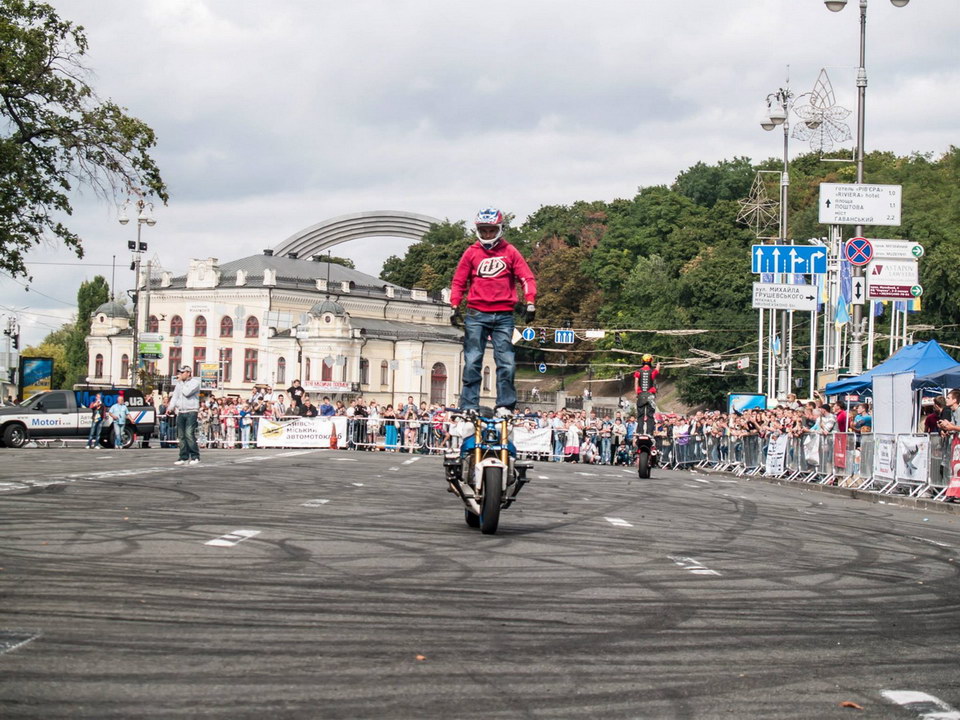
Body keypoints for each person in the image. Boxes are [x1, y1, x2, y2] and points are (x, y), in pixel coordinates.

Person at [450, 207, 537, 416]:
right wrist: (454, 306)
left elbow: (526, 277)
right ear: (478, 231)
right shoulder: (471, 253)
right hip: (476, 314)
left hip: (504, 315)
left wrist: (530, 301)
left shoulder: (510, 252)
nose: (487, 235)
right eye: (483, 231)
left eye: (491, 230)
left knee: (506, 361)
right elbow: (459, 281)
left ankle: (505, 405)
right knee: (472, 360)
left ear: (499, 229)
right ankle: (469, 404)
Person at [169, 365, 202, 465]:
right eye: (180, 372)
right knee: (181, 435)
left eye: (182, 372)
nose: (180, 374)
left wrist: (180, 383)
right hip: (181, 411)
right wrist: (170, 407)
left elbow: (187, 393)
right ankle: (183, 457)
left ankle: (195, 456)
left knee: (189, 434)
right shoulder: (179, 384)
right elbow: (175, 396)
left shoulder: (195, 383)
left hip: (191, 411)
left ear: (188, 373)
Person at [634, 354, 661, 435]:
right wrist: (658, 365)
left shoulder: (638, 371)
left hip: (641, 395)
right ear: (650, 361)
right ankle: (649, 432)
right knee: (650, 415)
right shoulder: (653, 371)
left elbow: (636, 383)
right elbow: (657, 370)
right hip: (650, 395)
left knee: (640, 415)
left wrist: (637, 394)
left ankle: (640, 431)